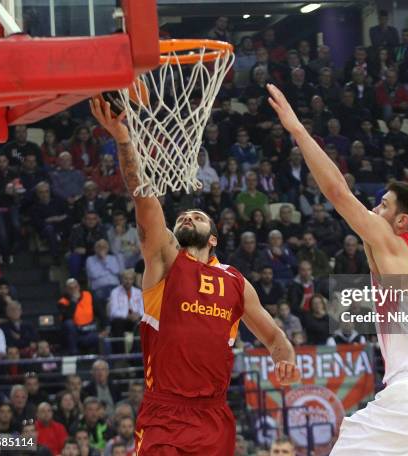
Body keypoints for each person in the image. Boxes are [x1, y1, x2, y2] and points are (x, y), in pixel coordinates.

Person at [267, 83, 408, 455]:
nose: (374, 212)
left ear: (402, 221)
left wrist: (297, 129)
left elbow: (339, 194)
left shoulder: (393, 243)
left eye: (382, 206)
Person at [90, 97, 300, 455]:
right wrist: (124, 140)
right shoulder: (165, 261)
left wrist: (286, 359)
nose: (188, 217)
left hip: (213, 414)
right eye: (182, 216)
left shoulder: (235, 280)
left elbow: (273, 335)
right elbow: (145, 200)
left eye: (198, 216)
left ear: (214, 237)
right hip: (166, 412)